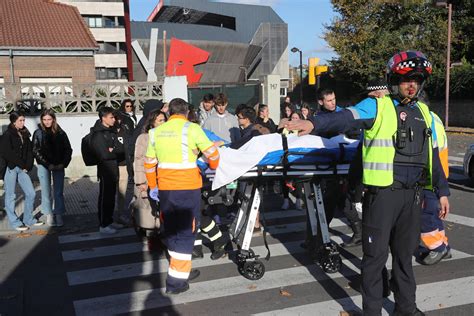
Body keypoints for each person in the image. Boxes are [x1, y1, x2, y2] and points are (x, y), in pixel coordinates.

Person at [286, 50, 450, 316]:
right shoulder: (377, 105)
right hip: (382, 196)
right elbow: (344, 117)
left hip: (412, 197)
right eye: (407, 79)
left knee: (404, 259)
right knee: (375, 260)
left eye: (417, 81)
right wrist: (314, 122)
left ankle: (406, 309)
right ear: (393, 80)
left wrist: (441, 192)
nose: (412, 85)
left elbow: (430, 157)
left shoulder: (424, 112)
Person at [144, 98, 220, 295]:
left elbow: (149, 164)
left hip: (165, 190)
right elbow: (213, 155)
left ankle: (178, 271)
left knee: (171, 229)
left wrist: (153, 187)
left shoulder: (155, 132)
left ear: (169, 113)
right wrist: (212, 167)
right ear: (186, 112)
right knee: (187, 233)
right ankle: (176, 281)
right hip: (188, 189)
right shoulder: (192, 129)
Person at [1, 111, 43, 231]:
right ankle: (14, 222)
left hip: (22, 169)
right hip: (11, 169)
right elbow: (6, 153)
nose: (23, 122)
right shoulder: (7, 135)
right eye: (20, 120)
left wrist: (28, 165)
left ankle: (28, 219)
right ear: (14, 122)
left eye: (24, 120)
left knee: (31, 193)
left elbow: (29, 150)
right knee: (10, 196)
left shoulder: (25, 133)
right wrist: (21, 164)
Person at [419, 111, 451, 265]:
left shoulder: (425, 120)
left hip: (431, 176)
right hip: (439, 174)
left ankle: (437, 248)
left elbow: (431, 152)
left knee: (425, 215)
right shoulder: (435, 117)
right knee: (434, 213)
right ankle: (443, 244)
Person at [32, 109, 72, 227]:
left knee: (58, 191)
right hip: (43, 165)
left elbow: (68, 149)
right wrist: (46, 164)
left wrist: (63, 164)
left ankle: (59, 213)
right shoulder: (38, 132)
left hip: (59, 164)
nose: (47, 122)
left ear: (53, 119)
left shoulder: (60, 132)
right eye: (44, 120)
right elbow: (35, 150)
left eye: (49, 119)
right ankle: (49, 214)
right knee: (45, 191)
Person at [91, 107, 125, 234]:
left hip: (113, 168)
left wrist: (114, 150)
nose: (114, 120)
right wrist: (114, 151)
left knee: (111, 197)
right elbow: (104, 154)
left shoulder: (110, 131)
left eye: (114, 117)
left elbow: (120, 148)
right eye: (111, 117)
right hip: (105, 170)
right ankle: (103, 224)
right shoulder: (98, 134)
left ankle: (109, 221)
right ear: (103, 118)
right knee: (105, 197)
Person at [113, 111, 132, 225]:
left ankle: (121, 214)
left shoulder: (125, 131)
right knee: (112, 193)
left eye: (119, 119)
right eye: (115, 118)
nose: (118, 121)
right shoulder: (108, 132)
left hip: (124, 166)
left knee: (122, 193)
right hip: (112, 166)